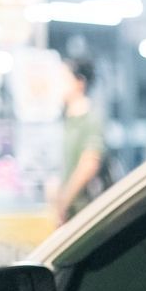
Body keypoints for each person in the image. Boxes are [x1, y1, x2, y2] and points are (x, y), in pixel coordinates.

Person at [52, 57, 107, 223]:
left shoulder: (91, 120)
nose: (57, 85)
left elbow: (89, 164)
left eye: (63, 79)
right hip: (71, 212)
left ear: (79, 83)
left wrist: (64, 201)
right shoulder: (68, 120)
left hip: (84, 213)